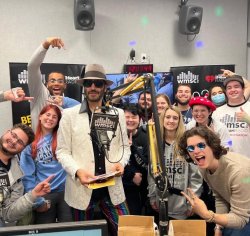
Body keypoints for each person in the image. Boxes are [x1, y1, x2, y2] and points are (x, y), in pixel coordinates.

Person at [56, 64, 130, 236]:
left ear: (104, 86)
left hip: (112, 187)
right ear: (84, 86)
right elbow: (62, 151)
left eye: (98, 84)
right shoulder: (69, 115)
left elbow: (125, 147)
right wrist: (77, 171)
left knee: (126, 232)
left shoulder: (118, 114)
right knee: (85, 234)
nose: (93, 87)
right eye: (89, 83)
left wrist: (121, 163)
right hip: (81, 187)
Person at [179, 126, 250, 236]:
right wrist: (219, 228)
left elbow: (240, 219)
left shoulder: (238, 172)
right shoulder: (203, 166)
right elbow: (220, 196)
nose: (196, 151)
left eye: (201, 145)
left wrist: (208, 215)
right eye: (191, 148)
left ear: (212, 146)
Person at [20, 104, 72, 224]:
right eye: (47, 114)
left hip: (66, 192)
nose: (50, 119)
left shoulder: (63, 138)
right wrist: (37, 200)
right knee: (44, 229)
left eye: (55, 117)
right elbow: (27, 176)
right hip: (44, 194)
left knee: (69, 229)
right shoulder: (30, 144)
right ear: (40, 116)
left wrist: (64, 102)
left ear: (58, 121)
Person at [148, 106, 203, 220]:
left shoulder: (186, 144)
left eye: (175, 118)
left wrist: (193, 201)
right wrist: (152, 197)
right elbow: (152, 174)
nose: (171, 121)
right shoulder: (155, 143)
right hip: (161, 202)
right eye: (168, 117)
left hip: (182, 205)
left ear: (179, 121)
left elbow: (195, 176)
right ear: (163, 119)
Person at [0, 123, 52, 226]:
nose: (14, 141)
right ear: (7, 132)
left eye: (20, 142)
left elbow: (8, 214)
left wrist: (33, 195)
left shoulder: (17, 176)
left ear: (23, 148)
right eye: (13, 135)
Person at [28, 37, 80, 130]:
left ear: (65, 85)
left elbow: (84, 111)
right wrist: (45, 44)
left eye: (60, 81)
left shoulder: (70, 104)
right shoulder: (39, 95)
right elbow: (32, 67)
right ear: (47, 84)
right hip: (38, 143)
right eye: (52, 81)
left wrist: (65, 101)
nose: (56, 84)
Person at [212, 75, 250, 157]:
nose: (233, 90)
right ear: (226, 91)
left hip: (247, 160)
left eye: (236, 87)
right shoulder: (217, 112)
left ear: (243, 89)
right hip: (224, 160)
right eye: (229, 88)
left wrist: (249, 120)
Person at [122, 104, 149, 215]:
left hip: (143, 186)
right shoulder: (116, 136)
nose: (130, 120)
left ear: (140, 119)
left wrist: (132, 148)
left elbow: (146, 164)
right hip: (123, 184)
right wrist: (132, 174)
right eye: (127, 117)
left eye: (133, 117)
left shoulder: (146, 136)